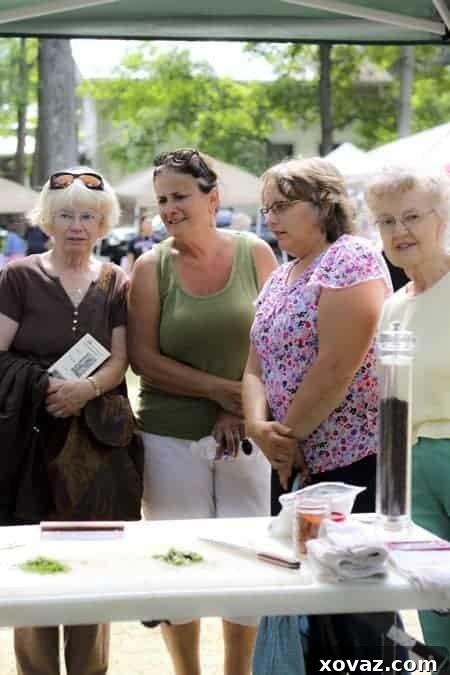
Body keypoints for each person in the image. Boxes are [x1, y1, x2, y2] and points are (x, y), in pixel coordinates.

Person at [128, 148, 278, 675]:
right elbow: (144, 359)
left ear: (212, 198)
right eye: (162, 199)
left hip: (248, 434)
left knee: (247, 563)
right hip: (169, 435)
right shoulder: (150, 266)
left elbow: (275, 341)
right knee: (178, 564)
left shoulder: (256, 253)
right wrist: (221, 393)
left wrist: (240, 405)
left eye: (180, 196)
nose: (169, 208)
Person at [242, 157, 395, 673]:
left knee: (354, 616)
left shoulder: (352, 259)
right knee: (297, 599)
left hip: (350, 467)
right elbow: (253, 368)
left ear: (324, 203)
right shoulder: (282, 276)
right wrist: (258, 428)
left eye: (282, 206)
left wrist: (285, 437)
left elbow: (338, 365)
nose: (272, 219)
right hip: (291, 464)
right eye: (267, 209)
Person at [0, 167, 143, 675]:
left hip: (98, 445)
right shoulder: (18, 276)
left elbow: (121, 357)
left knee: (92, 563)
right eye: (65, 215)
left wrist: (86, 389)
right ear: (48, 220)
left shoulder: (116, 281)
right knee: (33, 563)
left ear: (103, 222)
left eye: (87, 215)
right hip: (32, 442)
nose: (76, 224)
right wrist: (45, 387)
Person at [366, 166, 450, 654]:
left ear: (441, 219)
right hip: (411, 469)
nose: (399, 231)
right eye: (386, 221)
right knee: (435, 610)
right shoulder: (393, 306)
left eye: (412, 216)